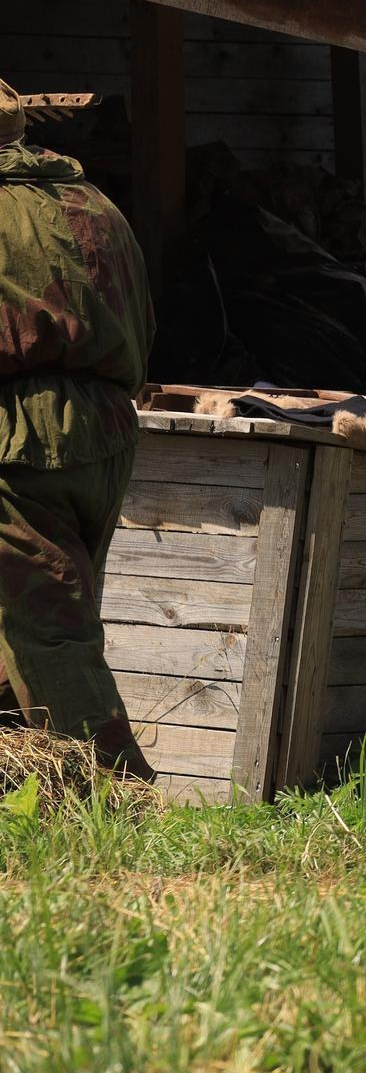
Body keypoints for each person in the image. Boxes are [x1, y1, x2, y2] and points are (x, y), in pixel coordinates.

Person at [0, 80, 156, 778]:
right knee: (47, 614)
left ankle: (116, 792)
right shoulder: (95, 205)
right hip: (105, 433)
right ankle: (25, 786)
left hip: (16, 441)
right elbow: (142, 326)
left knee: (48, 634)